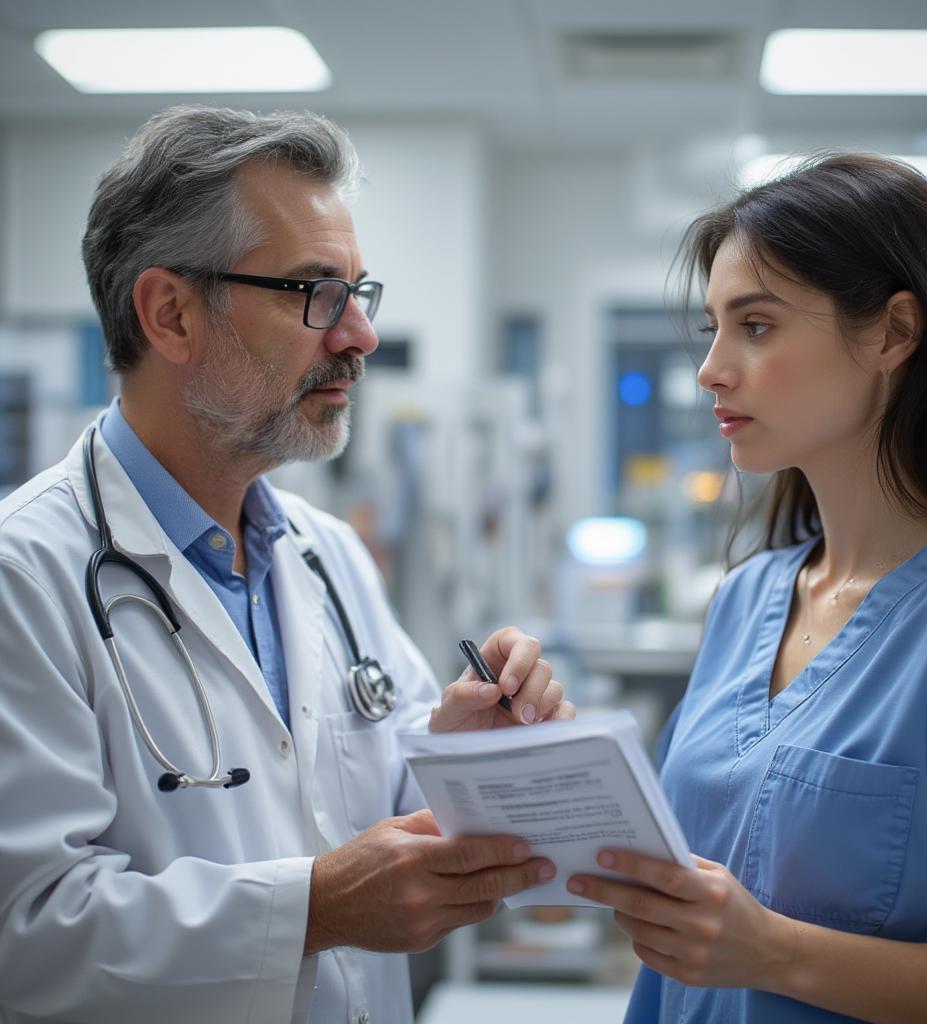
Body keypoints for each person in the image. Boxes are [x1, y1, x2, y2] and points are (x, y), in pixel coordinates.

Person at [0, 106, 573, 1024]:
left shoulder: (325, 556)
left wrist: (463, 759)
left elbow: (371, 820)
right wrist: (314, 908)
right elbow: (23, 933)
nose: (358, 337)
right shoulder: (23, 577)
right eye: (313, 293)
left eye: (359, 293)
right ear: (170, 313)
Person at [567, 154, 927, 1022]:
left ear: (894, 333)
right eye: (713, 328)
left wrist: (776, 954)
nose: (711, 368)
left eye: (759, 326)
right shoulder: (747, 599)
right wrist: (545, 762)